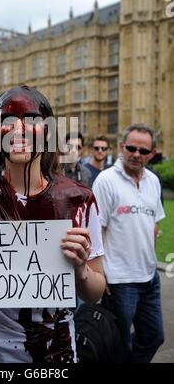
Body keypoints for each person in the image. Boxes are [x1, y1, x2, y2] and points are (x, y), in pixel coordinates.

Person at [0, 86, 105, 363]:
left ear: (49, 132)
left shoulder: (79, 199)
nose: (19, 131)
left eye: (31, 121)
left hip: (54, 356)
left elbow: (95, 292)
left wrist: (80, 269)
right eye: (6, 122)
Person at [92, 123, 165, 363]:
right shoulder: (106, 181)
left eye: (143, 151)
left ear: (152, 154)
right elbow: (96, 231)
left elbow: (155, 222)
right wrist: (100, 275)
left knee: (154, 337)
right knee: (119, 341)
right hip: (120, 281)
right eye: (131, 148)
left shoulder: (153, 181)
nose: (136, 154)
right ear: (122, 147)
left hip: (149, 277)